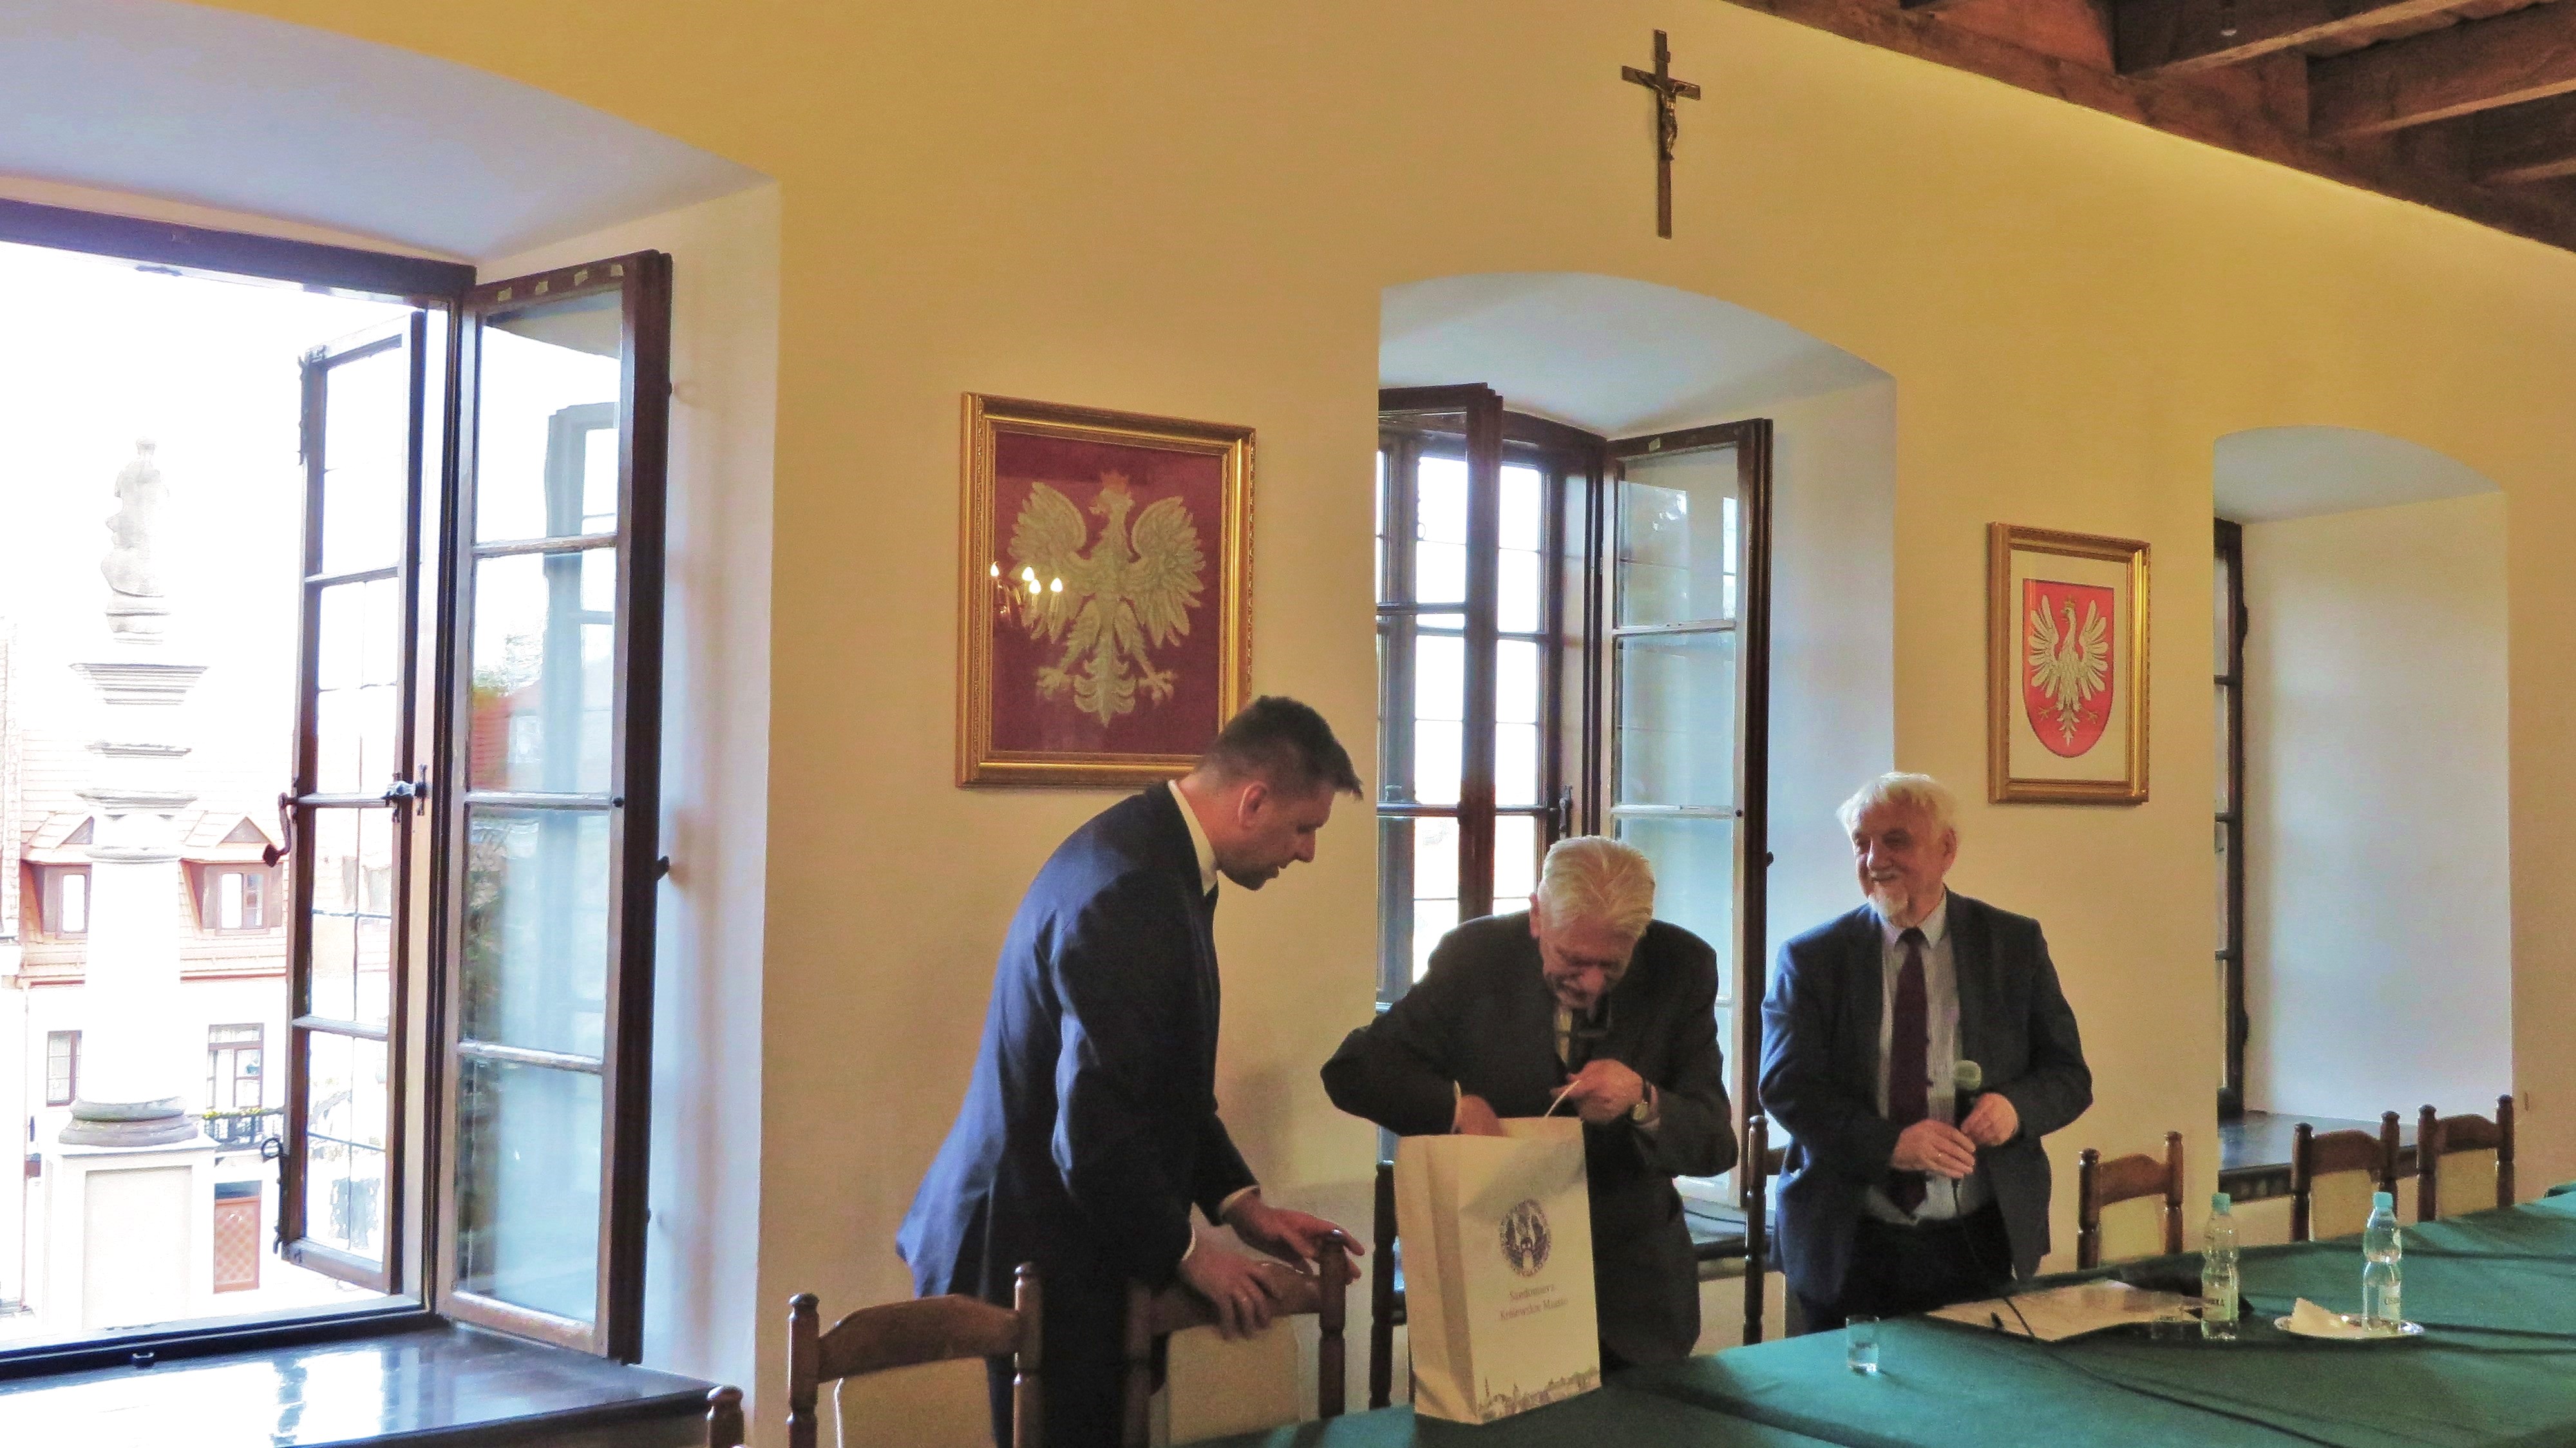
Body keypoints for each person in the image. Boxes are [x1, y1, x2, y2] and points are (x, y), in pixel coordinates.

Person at [899, 697, 1367, 1448]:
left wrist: (1242, 1206)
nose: (1307, 852)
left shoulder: (1154, 852)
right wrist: (1188, 1254)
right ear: (1253, 801)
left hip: (1062, 1237)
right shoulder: (1133, 887)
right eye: (1303, 828)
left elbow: (1160, 1084)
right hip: (1028, 1249)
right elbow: (1093, 1132)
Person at [1320, 835, 1733, 1370]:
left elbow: (1715, 1144)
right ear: (1538, 916)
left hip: (1632, 1306)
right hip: (1495, 1291)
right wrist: (1456, 1109)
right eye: (1573, 960)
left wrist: (1643, 1101)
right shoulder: (1476, 958)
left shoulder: (1681, 967)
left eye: (1612, 965)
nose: (1591, 983)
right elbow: (1355, 1070)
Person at [1760, 772, 2092, 1331]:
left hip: (1978, 1238)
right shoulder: (1814, 958)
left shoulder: (2012, 945)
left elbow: (2068, 1075)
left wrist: (2015, 1109)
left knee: (1975, 1387)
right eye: (1862, 844)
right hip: (1849, 1239)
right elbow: (1786, 1086)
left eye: (1896, 841)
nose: (1875, 860)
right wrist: (1890, 1145)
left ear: (1947, 850)